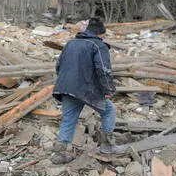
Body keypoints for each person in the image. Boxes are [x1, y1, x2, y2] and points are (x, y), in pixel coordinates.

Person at [51, 17, 125, 164]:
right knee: (109, 111)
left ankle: (59, 153)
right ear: (100, 34)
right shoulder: (98, 45)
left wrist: (67, 83)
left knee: (68, 119)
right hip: (86, 89)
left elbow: (58, 66)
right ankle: (107, 145)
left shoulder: (70, 43)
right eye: (103, 35)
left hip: (65, 87)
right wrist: (108, 89)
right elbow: (103, 70)